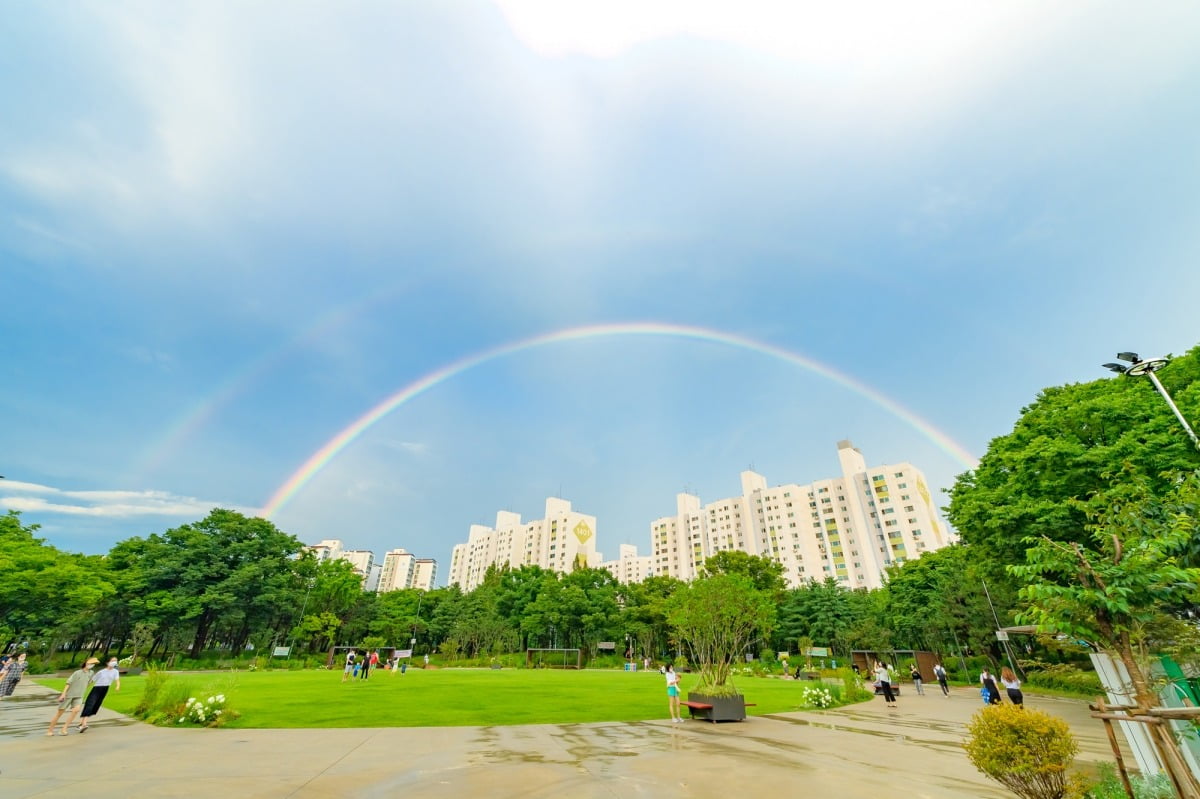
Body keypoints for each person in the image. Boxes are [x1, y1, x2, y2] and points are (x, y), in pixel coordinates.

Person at [47, 658, 98, 735]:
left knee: (76, 710)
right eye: (90, 663)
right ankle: (50, 730)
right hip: (69, 695)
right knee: (60, 713)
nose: (91, 665)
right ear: (86, 663)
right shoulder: (77, 673)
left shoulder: (91, 673)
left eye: (93, 664)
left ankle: (64, 729)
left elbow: (89, 683)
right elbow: (68, 683)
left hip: (79, 696)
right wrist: (63, 694)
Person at [78, 658, 121, 732]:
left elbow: (117, 680)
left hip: (105, 689)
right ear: (108, 662)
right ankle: (84, 724)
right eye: (112, 661)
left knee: (95, 706)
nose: (114, 662)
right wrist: (83, 688)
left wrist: (117, 686)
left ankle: (81, 723)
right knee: (90, 704)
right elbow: (92, 681)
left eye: (115, 661)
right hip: (96, 689)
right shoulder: (101, 672)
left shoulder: (115, 671)